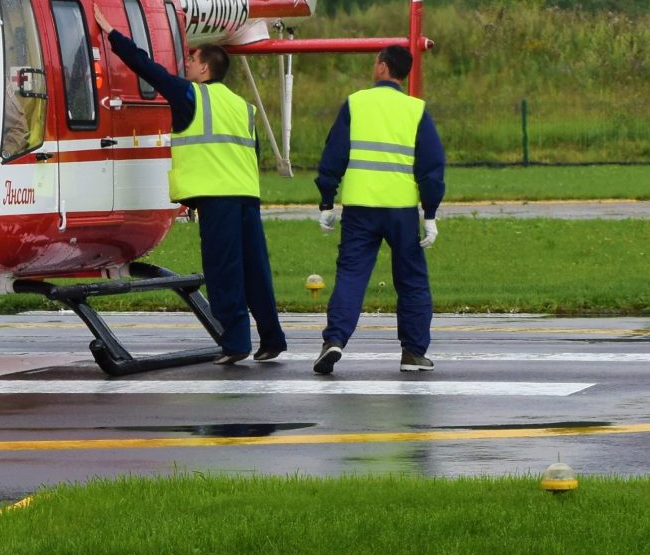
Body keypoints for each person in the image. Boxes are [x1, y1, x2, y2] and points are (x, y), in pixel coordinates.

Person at [105, 26, 286, 365]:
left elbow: (146, 68)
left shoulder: (191, 96)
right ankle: (272, 337)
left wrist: (113, 36)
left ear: (205, 68)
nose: (186, 63)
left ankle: (235, 343)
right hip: (246, 195)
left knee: (223, 270)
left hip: (218, 199)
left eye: (192, 58)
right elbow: (253, 152)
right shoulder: (243, 107)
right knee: (254, 270)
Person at [311, 44, 446, 376]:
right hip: (400, 210)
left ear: (384, 68)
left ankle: (334, 341)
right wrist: (429, 214)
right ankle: (413, 353)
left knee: (352, 275)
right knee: (412, 280)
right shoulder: (416, 110)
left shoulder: (356, 104)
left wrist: (327, 201)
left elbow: (334, 155)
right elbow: (431, 166)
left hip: (360, 208)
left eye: (376, 62)